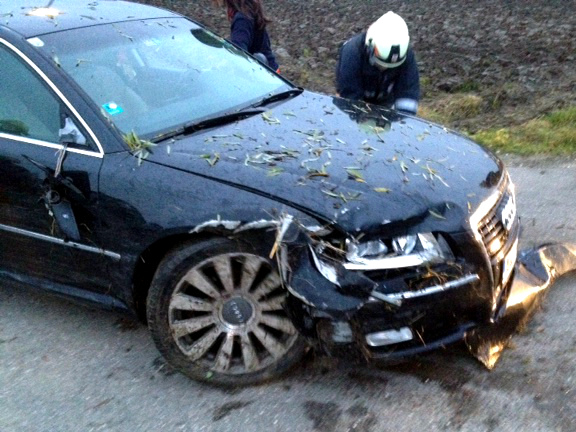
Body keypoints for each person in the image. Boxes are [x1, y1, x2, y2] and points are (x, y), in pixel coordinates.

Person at [336, 11, 420, 115]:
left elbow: (408, 95)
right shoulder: (352, 52)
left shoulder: (406, 55)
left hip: (387, 105)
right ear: (370, 48)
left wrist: (402, 125)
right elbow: (349, 97)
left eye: (390, 67)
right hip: (357, 97)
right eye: (380, 64)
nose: (384, 69)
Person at [214, 0, 279, 72]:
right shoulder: (248, 11)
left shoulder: (242, 19)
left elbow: (239, 56)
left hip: (265, 76)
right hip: (271, 71)